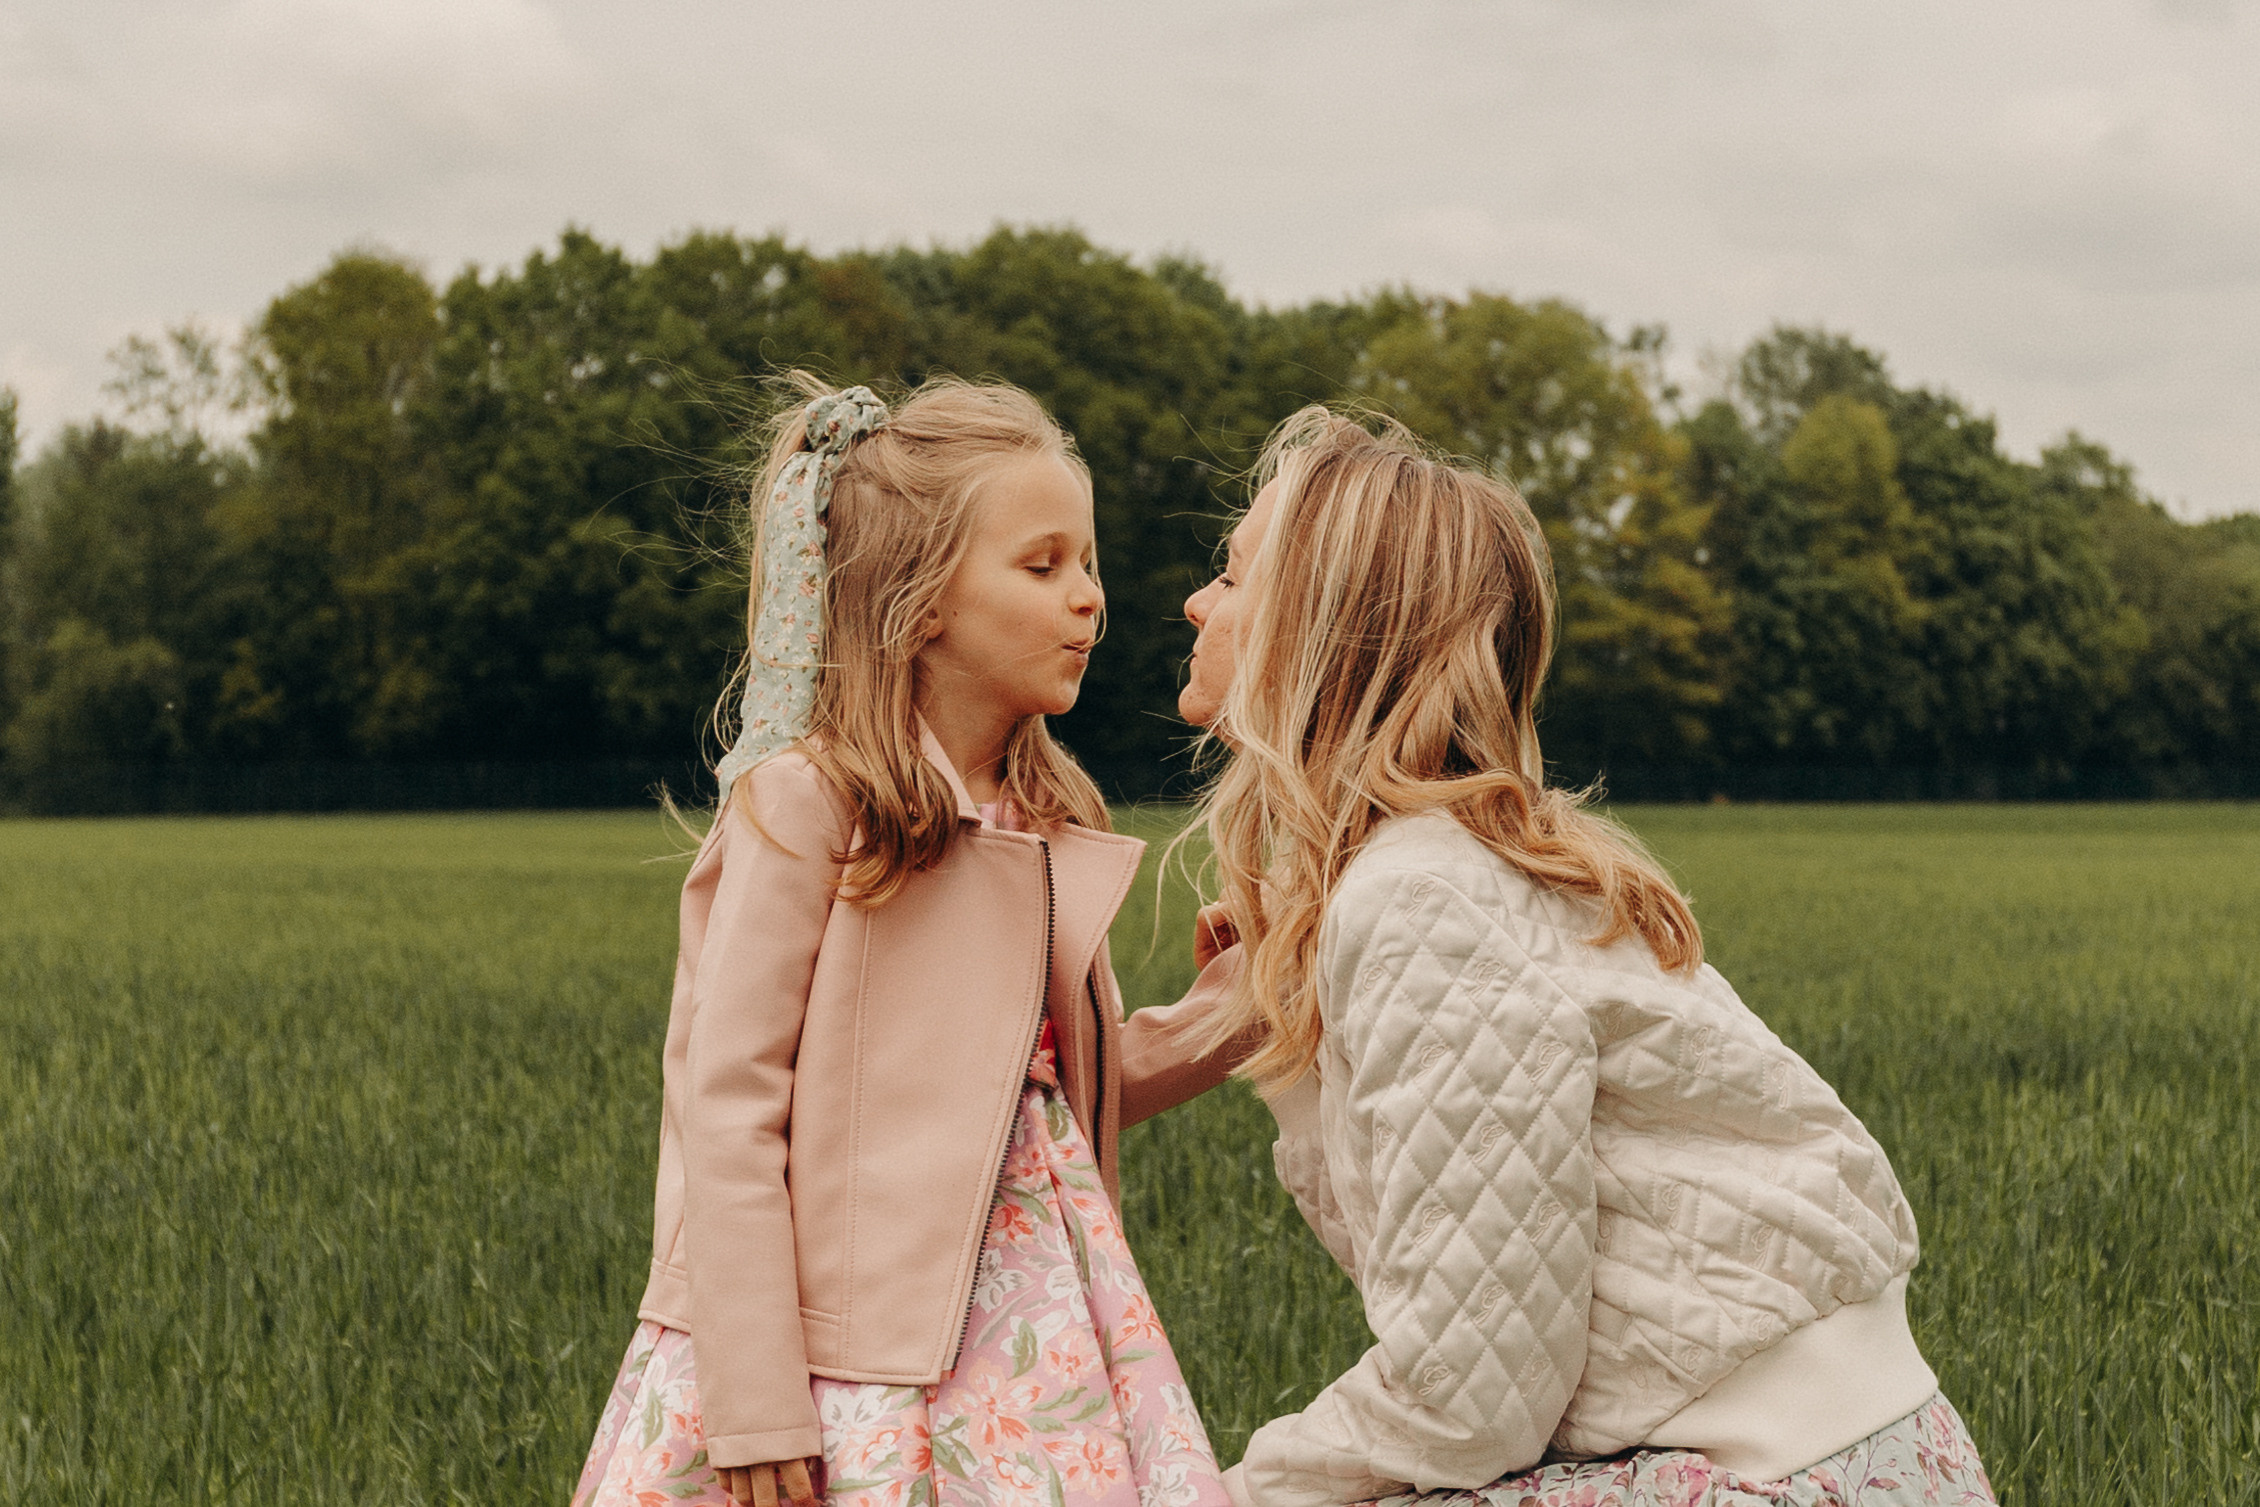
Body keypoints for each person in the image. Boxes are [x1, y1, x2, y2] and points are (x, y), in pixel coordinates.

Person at [1178, 408, 1996, 1507]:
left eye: (1230, 578)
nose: (1196, 602)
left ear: (1317, 627)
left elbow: (1470, 1396)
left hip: (1768, 1479)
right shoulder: (1450, 874)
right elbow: (1461, 1290)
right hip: (1843, 1465)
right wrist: (1290, 1061)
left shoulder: (1423, 894)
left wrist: (1220, 1491)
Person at [572, 377, 1239, 1507]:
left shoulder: (1042, 827)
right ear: (919, 599)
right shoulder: (807, 806)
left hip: (1035, 1354)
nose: (1091, 599)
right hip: (833, 1367)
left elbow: (1062, 1093)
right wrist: (754, 1396)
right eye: (1043, 566)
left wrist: (1234, 1005)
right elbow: (725, 1111)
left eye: (1087, 563)